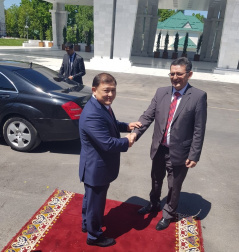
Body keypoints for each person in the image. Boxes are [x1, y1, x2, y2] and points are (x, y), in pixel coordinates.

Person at [131, 57, 207, 231]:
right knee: (156, 180)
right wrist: (135, 133)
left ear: (189, 74)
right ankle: (154, 203)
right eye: (171, 73)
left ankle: (168, 214)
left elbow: (199, 128)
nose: (174, 77)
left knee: (174, 186)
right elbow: (148, 116)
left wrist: (194, 155)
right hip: (159, 148)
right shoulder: (161, 92)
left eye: (179, 74)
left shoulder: (197, 96)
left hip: (180, 152)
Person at [79, 73, 141, 247]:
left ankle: (86, 225)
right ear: (94, 90)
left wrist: (126, 126)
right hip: (96, 168)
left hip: (96, 166)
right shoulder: (92, 113)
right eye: (106, 91)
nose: (110, 95)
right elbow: (107, 143)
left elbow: (111, 124)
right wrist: (126, 141)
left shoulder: (100, 105)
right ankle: (94, 236)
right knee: (96, 205)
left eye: (113, 90)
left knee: (90, 200)